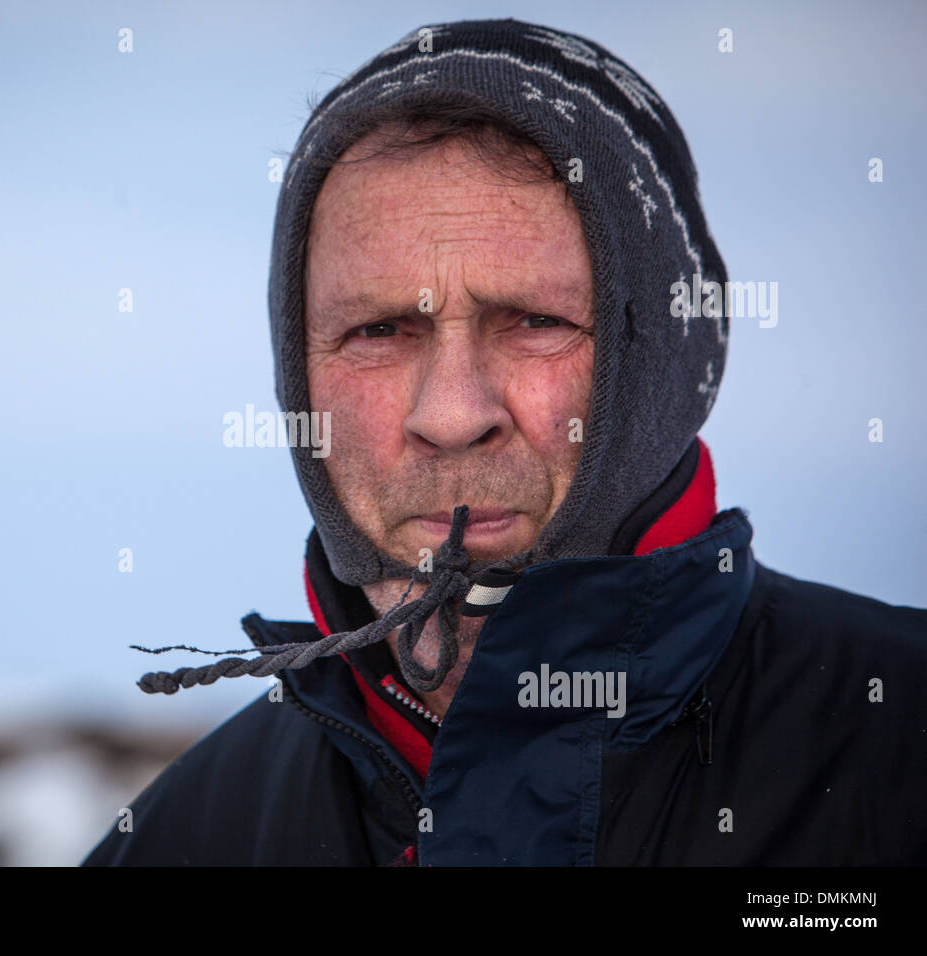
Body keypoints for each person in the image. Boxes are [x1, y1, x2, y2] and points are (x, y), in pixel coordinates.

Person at [83, 18, 927, 866]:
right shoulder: (179, 841)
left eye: (534, 321)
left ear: (668, 362)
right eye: (378, 331)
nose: (451, 414)